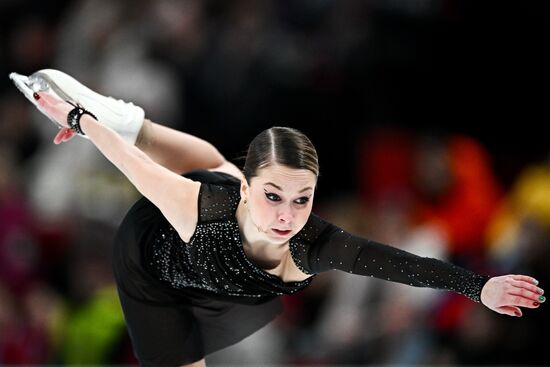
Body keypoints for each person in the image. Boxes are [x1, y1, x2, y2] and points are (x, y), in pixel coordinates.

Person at [11, 69, 545, 367]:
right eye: (274, 196)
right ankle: (133, 121)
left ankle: (143, 127)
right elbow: (131, 166)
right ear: (252, 189)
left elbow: (401, 264)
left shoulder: (313, 242)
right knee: (200, 173)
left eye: (302, 198)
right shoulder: (202, 210)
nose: (289, 216)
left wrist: (479, 288)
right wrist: (81, 120)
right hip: (153, 259)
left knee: (216, 167)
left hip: (224, 228)